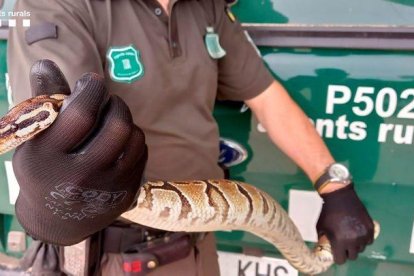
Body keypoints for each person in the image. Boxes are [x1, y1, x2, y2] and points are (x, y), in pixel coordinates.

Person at [7, 0, 374, 275]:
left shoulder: (205, 7)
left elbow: (265, 96)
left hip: (200, 245)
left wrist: (334, 184)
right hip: (112, 257)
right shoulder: (57, 4)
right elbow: (63, 138)